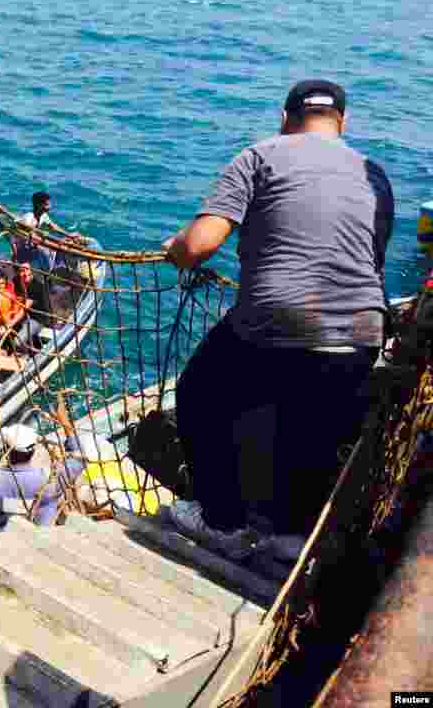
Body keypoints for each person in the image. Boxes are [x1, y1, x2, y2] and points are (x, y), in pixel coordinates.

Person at [162, 79, 394, 561]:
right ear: (342, 123)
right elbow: (373, 260)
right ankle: (291, 540)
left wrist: (177, 250)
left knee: (200, 396)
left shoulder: (260, 156)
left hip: (276, 319)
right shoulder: (376, 176)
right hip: (363, 328)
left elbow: (201, 244)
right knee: (314, 429)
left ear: (284, 118)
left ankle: (221, 522)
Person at [0, 402, 87, 536]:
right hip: (39, 537)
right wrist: (64, 422)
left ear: (5, 450)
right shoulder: (51, 480)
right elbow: (81, 457)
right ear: (33, 451)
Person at [14, 191, 81, 272]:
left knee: (59, 249)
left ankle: (58, 269)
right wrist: (57, 242)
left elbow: (53, 227)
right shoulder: (28, 218)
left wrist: (68, 235)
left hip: (33, 247)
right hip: (24, 252)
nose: (50, 207)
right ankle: (50, 273)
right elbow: (34, 237)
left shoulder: (43, 215)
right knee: (46, 251)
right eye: (47, 204)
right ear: (39, 205)